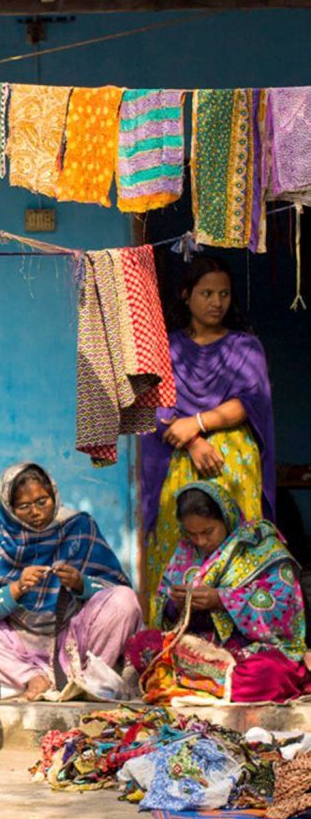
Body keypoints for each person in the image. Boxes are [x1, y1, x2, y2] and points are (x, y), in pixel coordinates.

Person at [141, 256, 275, 620]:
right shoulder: (165, 349)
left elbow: (253, 401)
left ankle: (246, 628)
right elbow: (152, 405)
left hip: (231, 464)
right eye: (207, 293)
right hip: (178, 459)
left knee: (237, 544)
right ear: (186, 295)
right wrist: (193, 441)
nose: (217, 302)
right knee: (177, 545)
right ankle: (168, 635)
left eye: (224, 294)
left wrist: (197, 424)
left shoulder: (246, 347)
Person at [0, 463, 142, 701]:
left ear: (54, 495)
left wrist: (81, 584)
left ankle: (89, 681)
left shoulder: (78, 527)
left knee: (125, 600)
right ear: (9, 507)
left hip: (73, 642)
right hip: (14, 645)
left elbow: (114, 587)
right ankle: (32, 678)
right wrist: (15, 589)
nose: (35, 512)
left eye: (42, 501)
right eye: (24, 506)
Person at [125, 482, 310, 704]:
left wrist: (222, 600)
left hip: (250, 652)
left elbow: (282, 610)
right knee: (142, 645)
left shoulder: (263, 548)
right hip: (200, 651)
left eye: (208, 532)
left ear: (226, 518)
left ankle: (185, 686)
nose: (201, 541)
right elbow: (165, 614)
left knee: (269, 674)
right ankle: (208, 688)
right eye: (193, 534)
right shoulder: (185, 551)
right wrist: (176, 604)